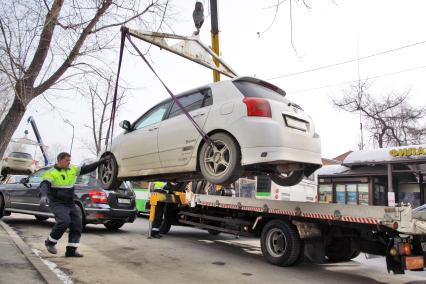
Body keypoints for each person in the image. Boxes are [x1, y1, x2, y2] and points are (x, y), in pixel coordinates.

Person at [41, 152, 108, 257]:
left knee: (77, 225)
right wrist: (44, 195)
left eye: (70, 160)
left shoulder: (72, 169)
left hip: (70, 203)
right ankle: (50, 242)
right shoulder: (51, 173)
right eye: (67, 160)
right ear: (60, 160)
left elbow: (86, 169)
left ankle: (71, 251)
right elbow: (44, 185)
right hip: (57, 203)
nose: (69, 162)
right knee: (64, 221)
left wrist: (100, 162)